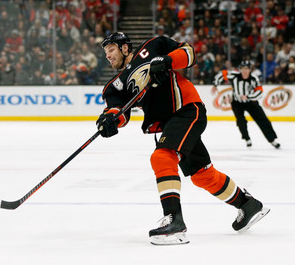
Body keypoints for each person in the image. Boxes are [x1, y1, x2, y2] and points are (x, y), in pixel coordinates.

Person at [96, 32, 270, 245]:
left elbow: (189, 53)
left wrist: (167, 60)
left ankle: (175, 222)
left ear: (124, 48)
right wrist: (109, 120)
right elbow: (118, 112)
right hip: (168, 125)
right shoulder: (115, 86)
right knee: (202, 176)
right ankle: (248, 205)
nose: (108, 56)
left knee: (162, 157)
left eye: (111, 49)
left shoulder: (152, 47)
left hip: (186, 109)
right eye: (105, 53)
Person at [213, 61, 280, 148]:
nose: (244, 71)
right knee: (241, 122)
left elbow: (260, 92)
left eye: (247, 69)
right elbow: (221, 74)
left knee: (263, 120)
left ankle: (272, 140)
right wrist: (215, 85)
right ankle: (247, 138)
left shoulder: (254, 78)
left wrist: (248, 97)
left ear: (250, 70)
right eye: (243, 69)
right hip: (237, 103)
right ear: (240, 69)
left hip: (251, 102)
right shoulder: (234, 75)